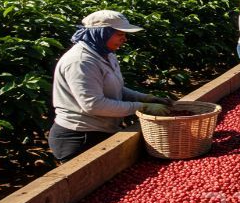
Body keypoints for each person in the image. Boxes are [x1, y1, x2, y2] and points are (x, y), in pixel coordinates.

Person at [48, 10, 172, 163]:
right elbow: (93, 105)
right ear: (102, 33)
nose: (125, 39)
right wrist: (141, 107)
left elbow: (116, 89)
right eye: (120, 35)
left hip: (103, 129)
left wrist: (147, 98)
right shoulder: (81, 62)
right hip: (80, 137)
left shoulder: (106, 54)